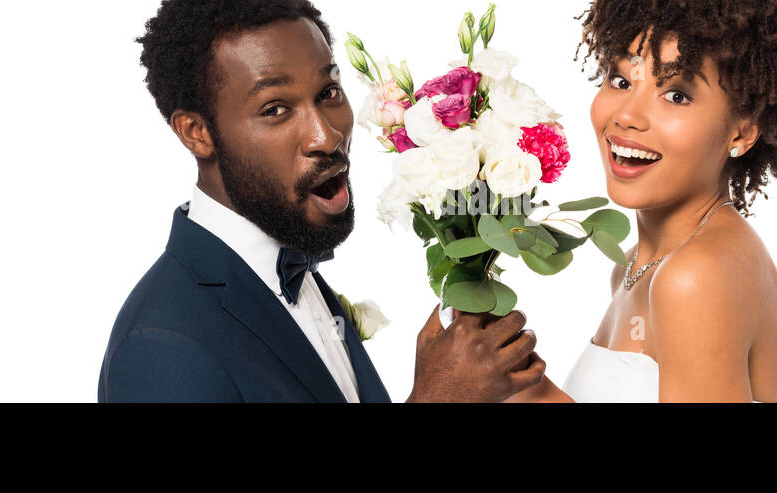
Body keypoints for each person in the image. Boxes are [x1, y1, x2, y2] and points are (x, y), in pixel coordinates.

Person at [97, 0, 545, 403]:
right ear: (197, 132)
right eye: (275, 109)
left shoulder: (288, 266)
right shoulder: (160, 346)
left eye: (328, 93)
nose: (327, 136)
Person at [508, 0, 777, 402]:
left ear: (741, 133)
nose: (628, 115)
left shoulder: (697, 276)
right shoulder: (635, 264)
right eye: (622, 80)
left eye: (677, 95)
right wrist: (516, 381)